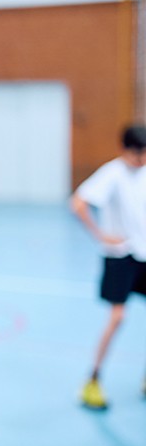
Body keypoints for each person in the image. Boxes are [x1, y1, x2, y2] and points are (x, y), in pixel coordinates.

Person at [71, 125, 146, 410]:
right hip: (119, 256)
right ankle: (92, 380)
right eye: (138, 154)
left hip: (143, 254)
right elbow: (78, 203)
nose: (141, 159)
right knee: (117, 318)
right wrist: (100, 235)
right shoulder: (113, 173)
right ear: (126, 150)